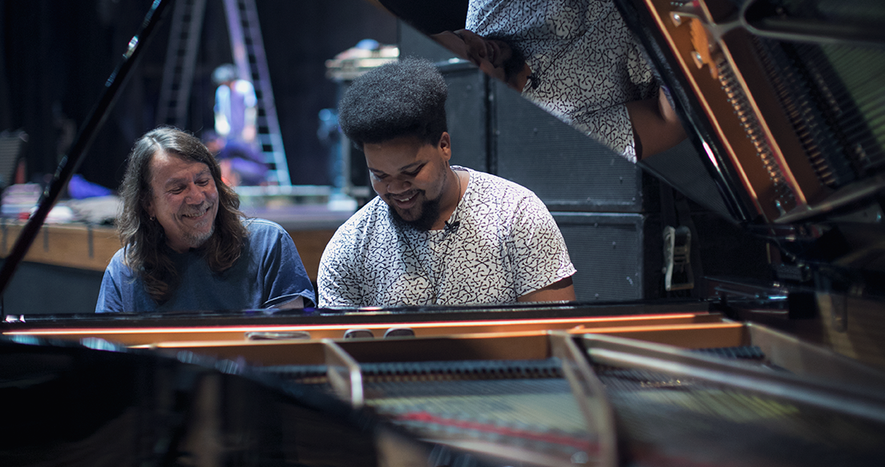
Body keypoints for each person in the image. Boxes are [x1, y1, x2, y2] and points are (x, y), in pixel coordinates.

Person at [317, 57, 576, 307]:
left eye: (411, 172)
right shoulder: (350, 247)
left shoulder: (517, 216)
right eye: (380, 175)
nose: (395, 188)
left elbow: (555, 330)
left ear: (444, 146)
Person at [433, 0, 687, 163]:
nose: (479, 43)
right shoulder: (553, 134)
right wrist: (678, 25)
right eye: (475, 59)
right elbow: (667, 121)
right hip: (687, 39)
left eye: (461, 37)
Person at [95, 127, 315, 313]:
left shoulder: (268, 244)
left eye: (203, 181)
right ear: (148, 204)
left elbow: (290, 342)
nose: (198, 198)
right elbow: (105, 349)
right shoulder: (124, 270)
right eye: (178, 188)